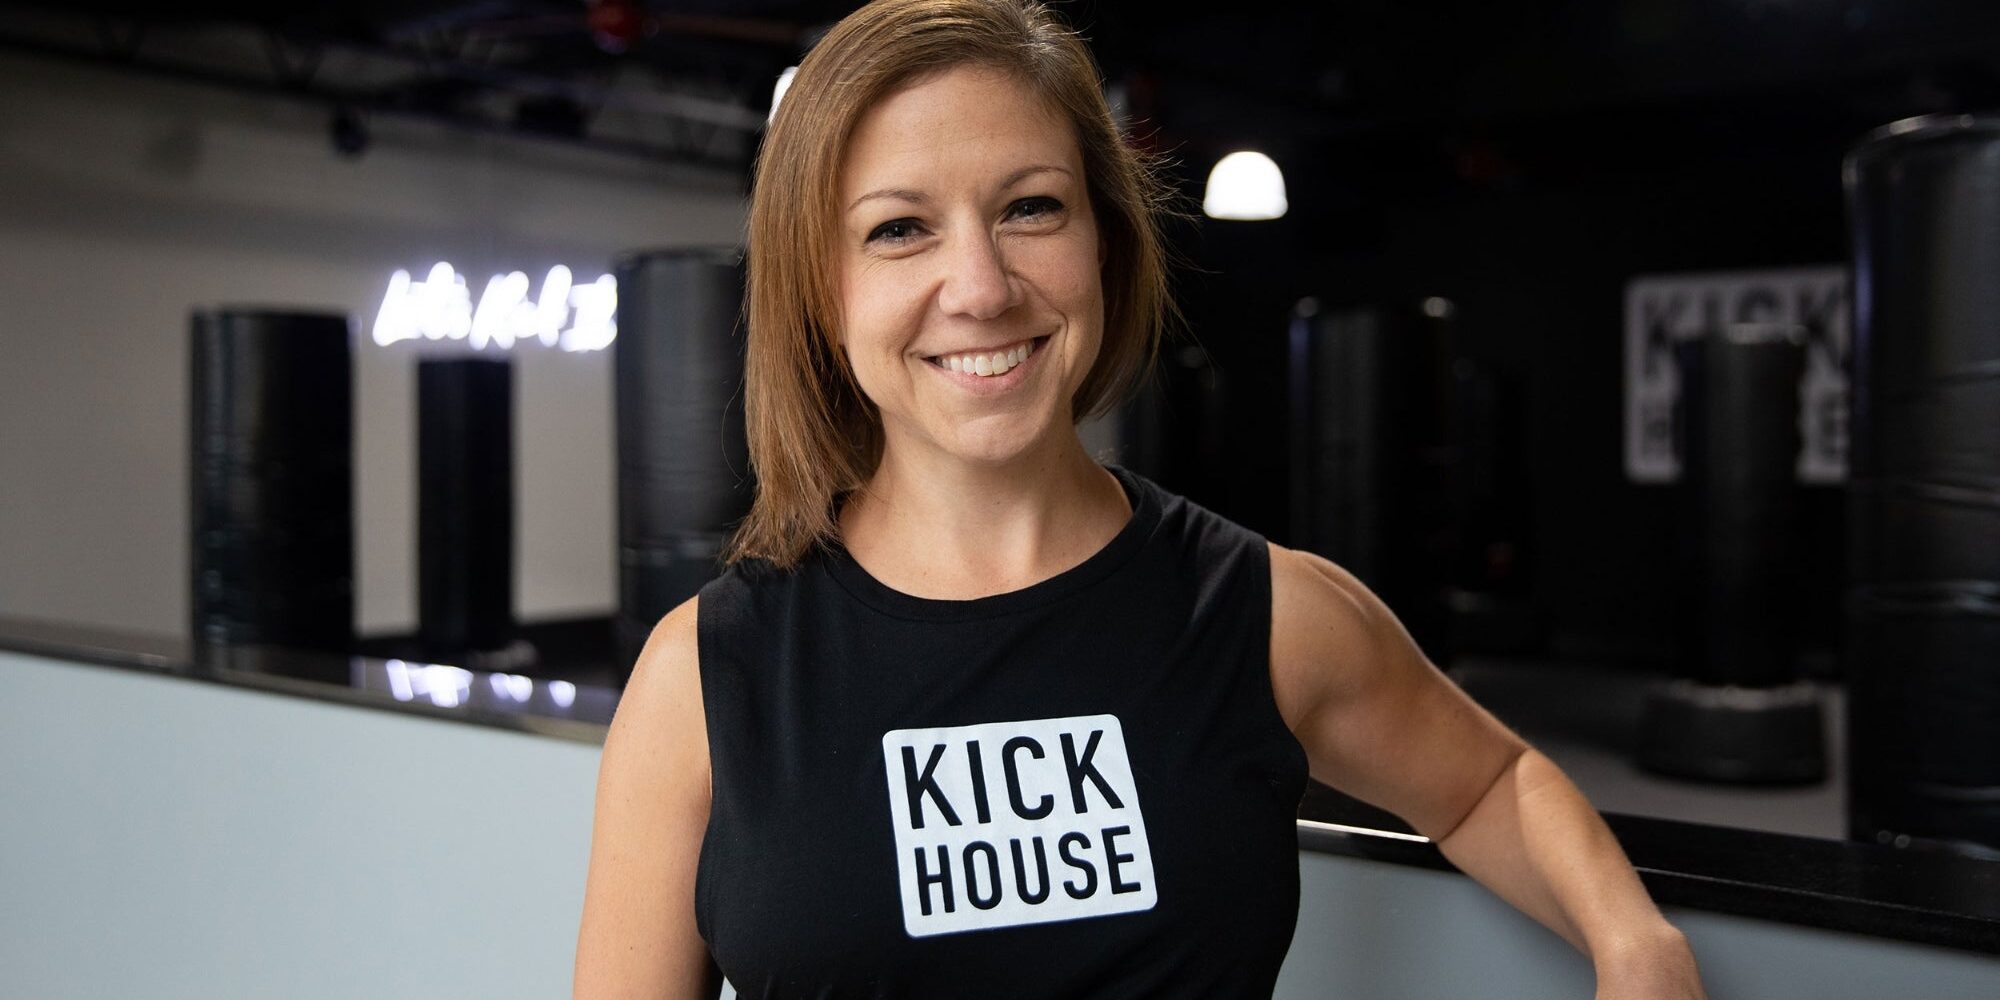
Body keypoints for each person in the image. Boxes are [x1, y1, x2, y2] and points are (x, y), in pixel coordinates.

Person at [574, 1, 1709, 997]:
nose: (980, 287)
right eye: (899, 229)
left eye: (1030, 208)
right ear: (821, 294)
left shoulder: (1265, 613)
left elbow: (1490, 784)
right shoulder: (706, 678)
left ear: (1104, 245)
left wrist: (1635, 943)